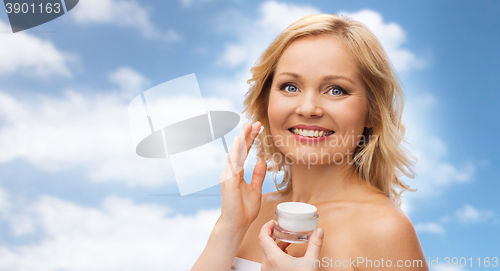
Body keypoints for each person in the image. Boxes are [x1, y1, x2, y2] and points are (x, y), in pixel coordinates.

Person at [191, 13, 429, 271]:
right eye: (290, 87)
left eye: (336, 90)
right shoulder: (249, 214)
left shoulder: (384, 229)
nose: (307, 108)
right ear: (266, 100)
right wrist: (229, 228)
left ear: (372, 112)